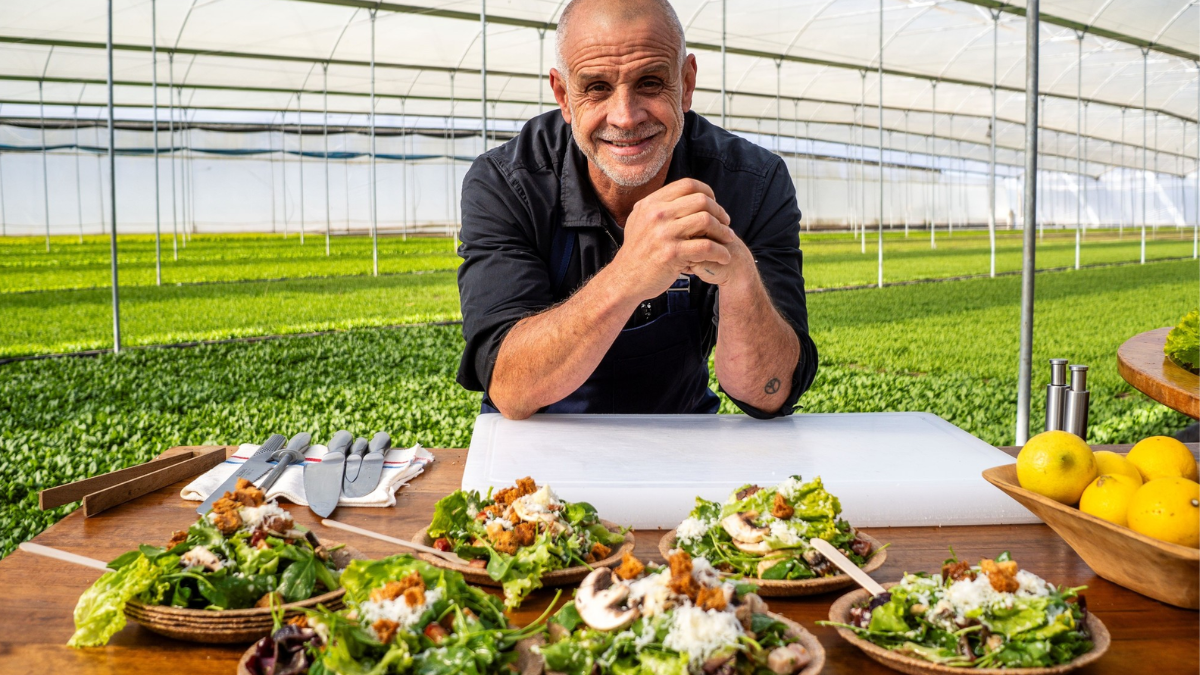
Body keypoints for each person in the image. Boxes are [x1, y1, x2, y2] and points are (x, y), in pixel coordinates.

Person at [456, 0, 817, 420]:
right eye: (597, 87)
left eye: (650, 82)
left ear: (686, 83)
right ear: (564, 96)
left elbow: (769, 392)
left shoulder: (751, 183)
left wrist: (739, 276)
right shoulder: (508, 183)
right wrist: (628, 275)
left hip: (678, 434)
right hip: (535, 444)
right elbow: (510, 389)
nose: (625, 118)